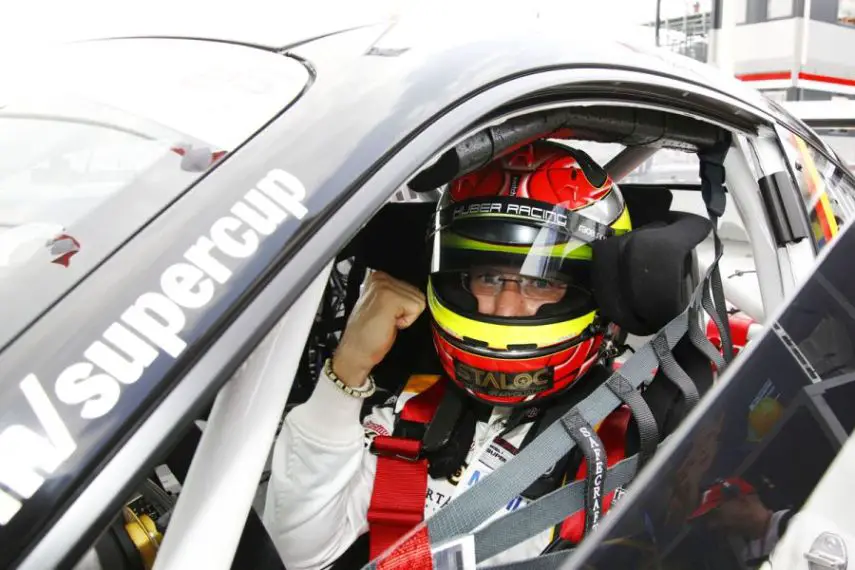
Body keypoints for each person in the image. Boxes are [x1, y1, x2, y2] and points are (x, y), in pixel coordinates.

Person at [262, 140, 636, 569]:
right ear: (455, 279)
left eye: (541, 282)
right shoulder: (406, 412)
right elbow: (294, 554)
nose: (504, 308)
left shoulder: (624, 447)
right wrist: (348, 370)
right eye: (489, 276)